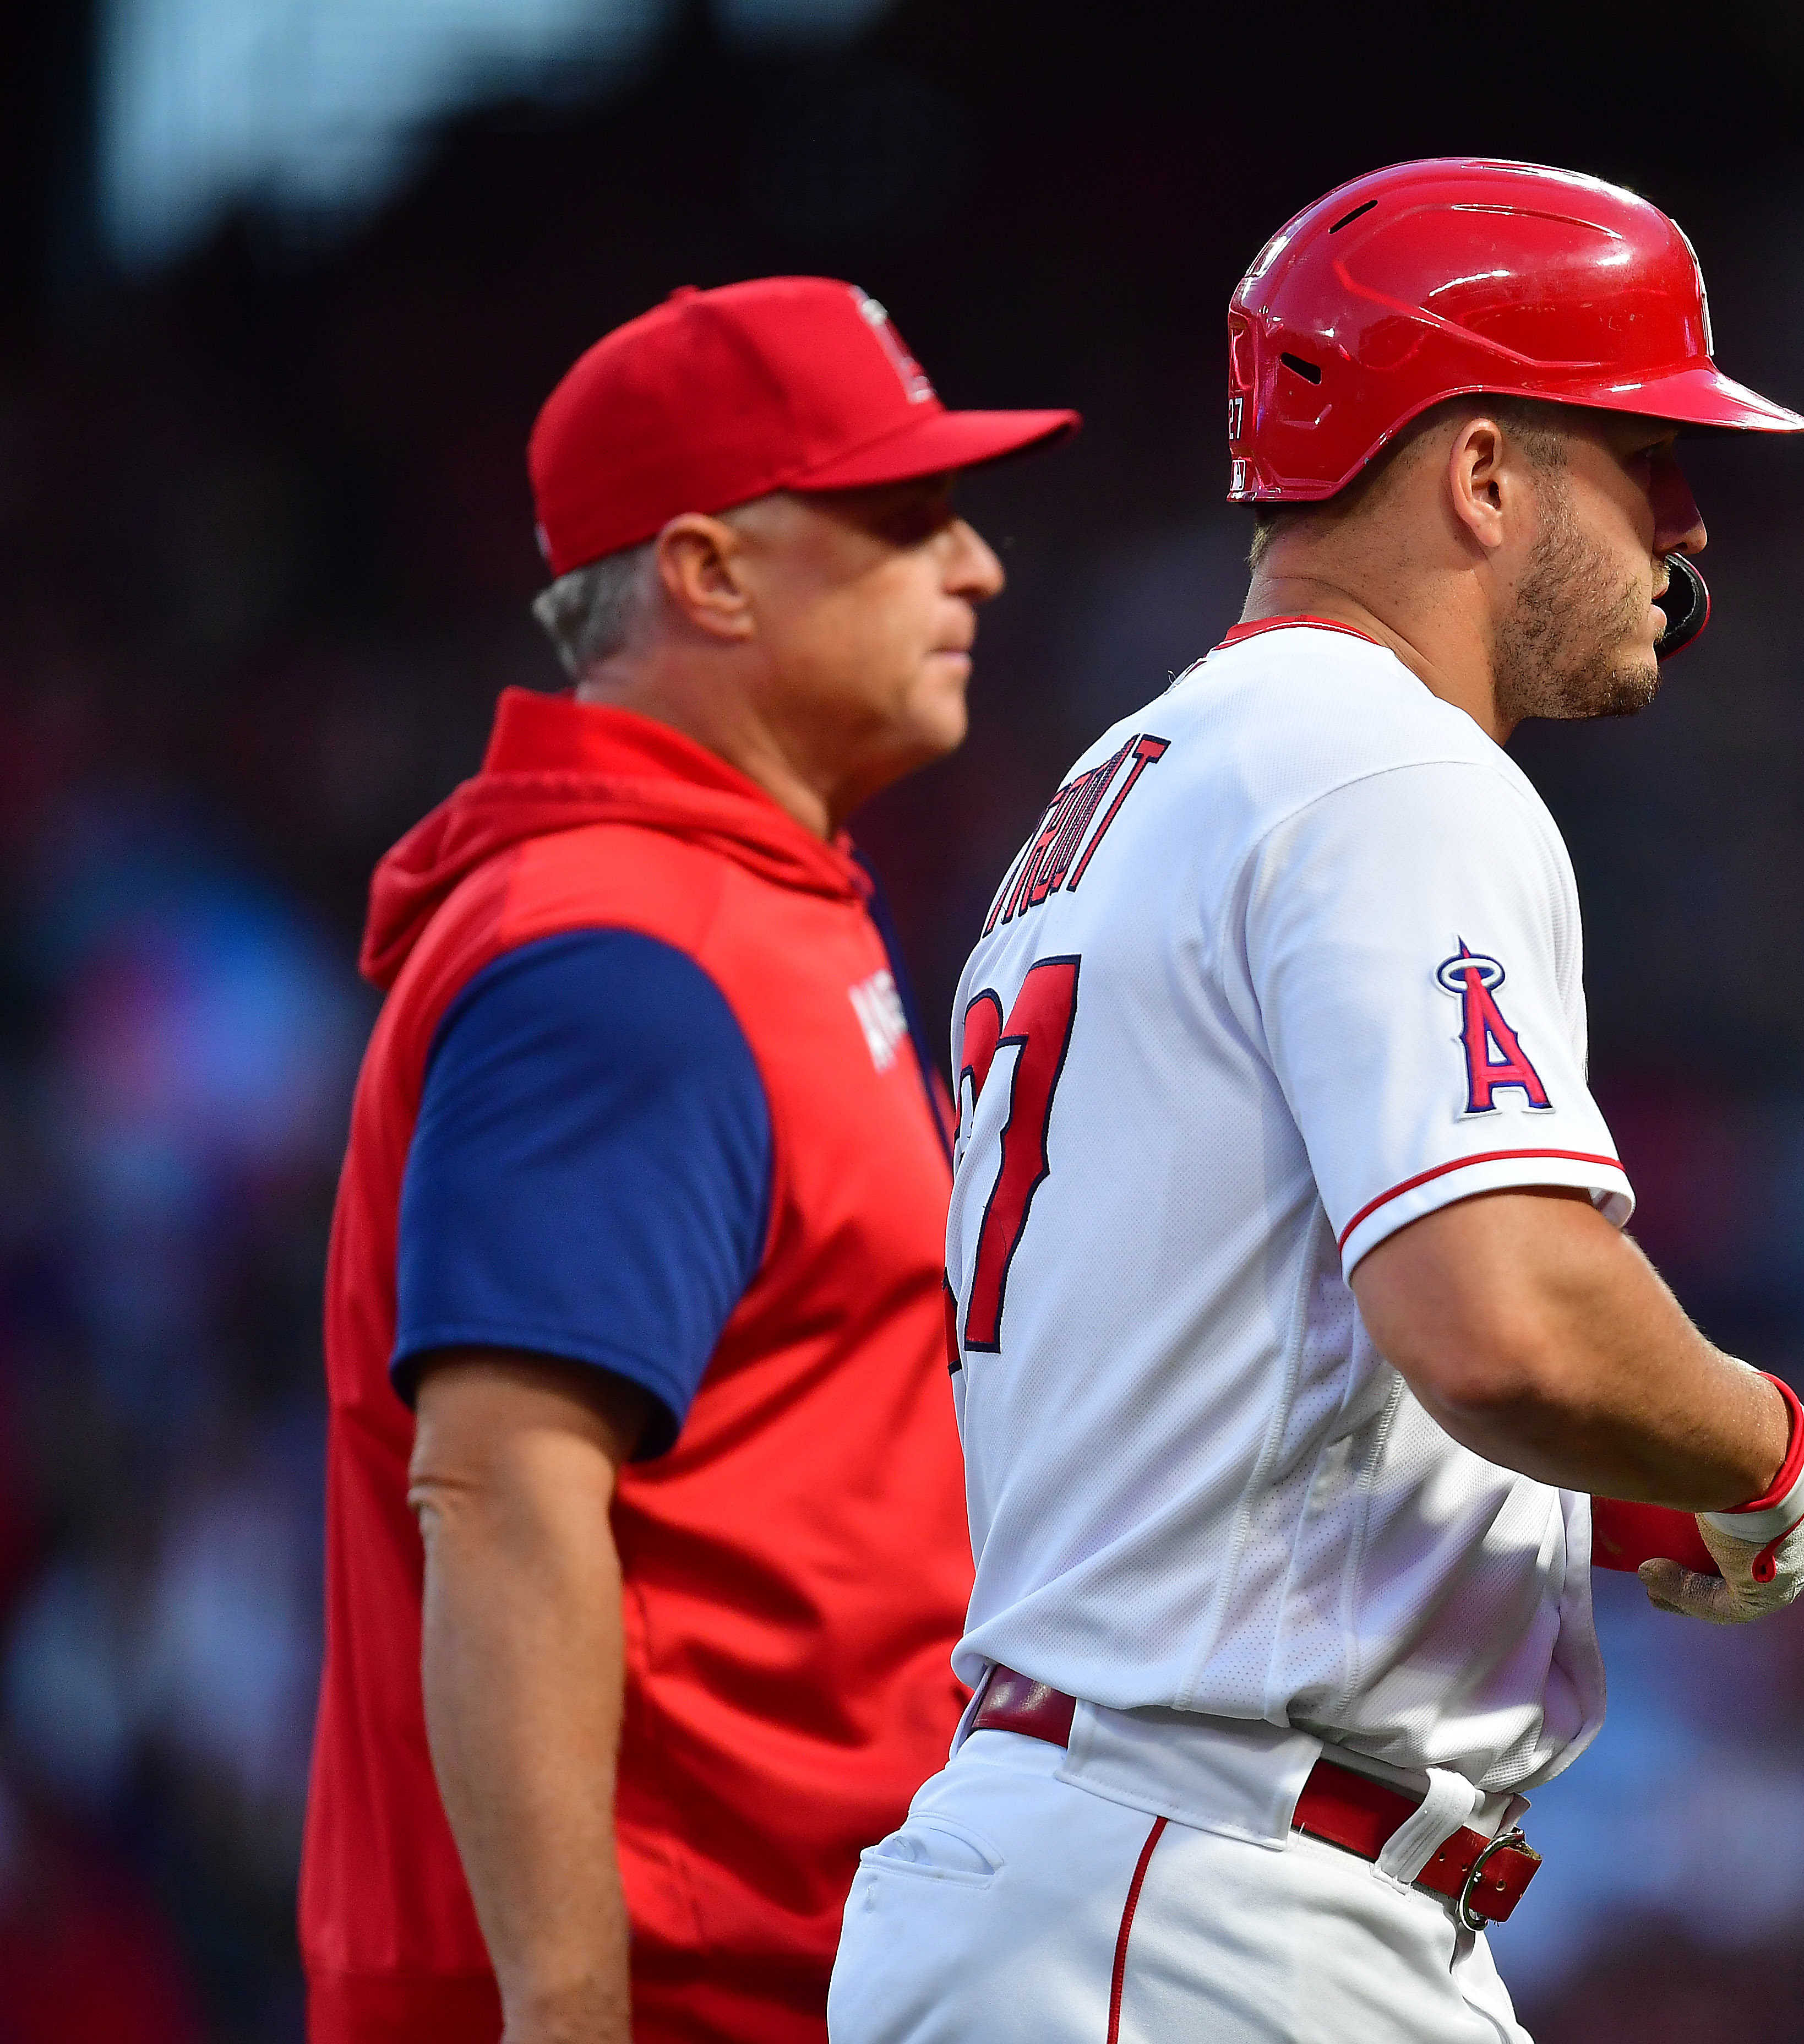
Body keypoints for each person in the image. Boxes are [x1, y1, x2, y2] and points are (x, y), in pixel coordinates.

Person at [826, 159, 1804, 2044]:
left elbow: (1228, 1369)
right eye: (1645, 458)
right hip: (1204, 1897)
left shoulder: (1124, 789)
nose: (1689, 524)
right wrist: (1762, 1453)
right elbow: (1509, 1320)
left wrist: (1577, 1508)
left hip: (1113, 1868)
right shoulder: (1389, 770)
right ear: (1480, 476)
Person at [301, 277, 1079, 2044]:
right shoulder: (623, 953)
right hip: (679, 1993)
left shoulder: (742, 907)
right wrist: (570, 2017)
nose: (979, 570)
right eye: (905, 518)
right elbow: (501, 1494)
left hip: (806, 1965)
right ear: (710, 575)